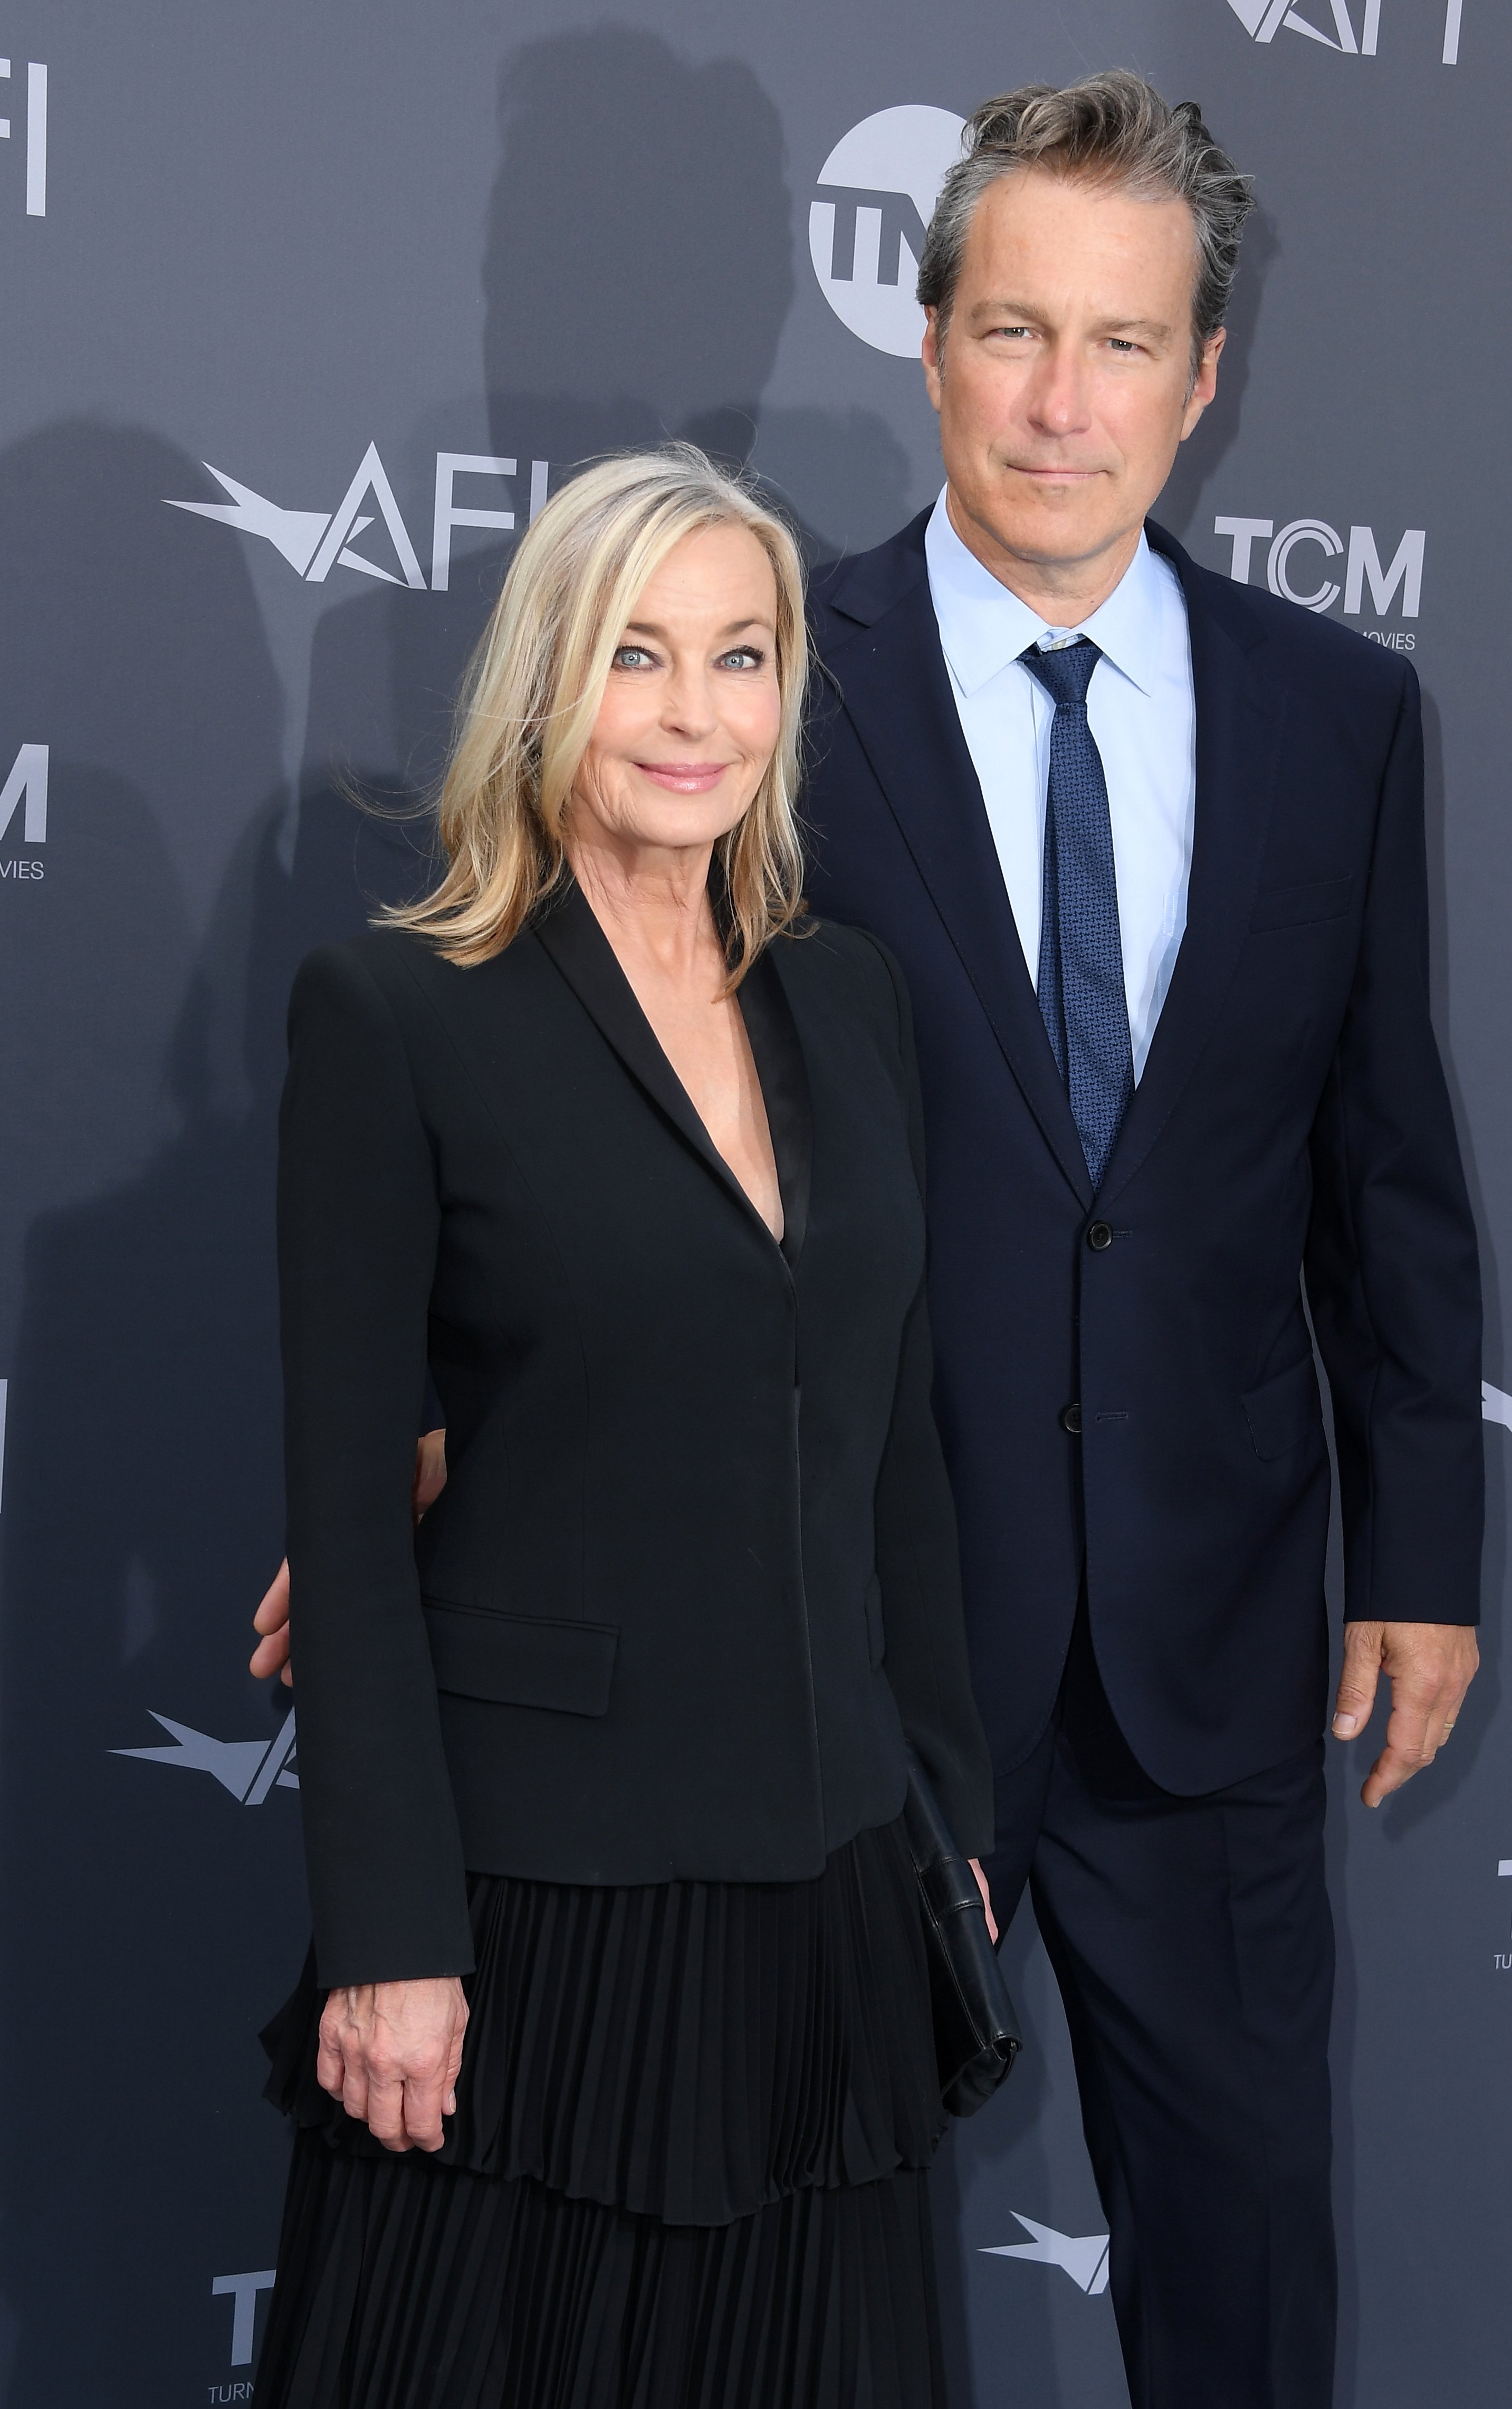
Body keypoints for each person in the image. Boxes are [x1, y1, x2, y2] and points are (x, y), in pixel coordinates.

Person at [256, 69, 1484, 2409]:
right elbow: (567, 1113)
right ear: (920, 341)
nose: (1057, 399)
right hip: (814, 1670)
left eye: (1120, 342)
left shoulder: (1341, 717)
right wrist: (445, 1464)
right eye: (1009, 327)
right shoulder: (743, 680)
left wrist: (1414, 1540)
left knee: (1238, 2272)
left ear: (1203, 376)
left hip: (1203, 1655)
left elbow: (1379, 1163)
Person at [253, 445, 994, 2409]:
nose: (695, 714)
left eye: (741, 658)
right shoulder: (398, 1014)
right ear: (548, 685)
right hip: (533, 1915)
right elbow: (344, 1505)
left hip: (829, 1890)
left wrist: (952, 1817)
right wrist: (386, 1938)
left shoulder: (848, 1002)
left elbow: (891, 1442)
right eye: (640, 656)